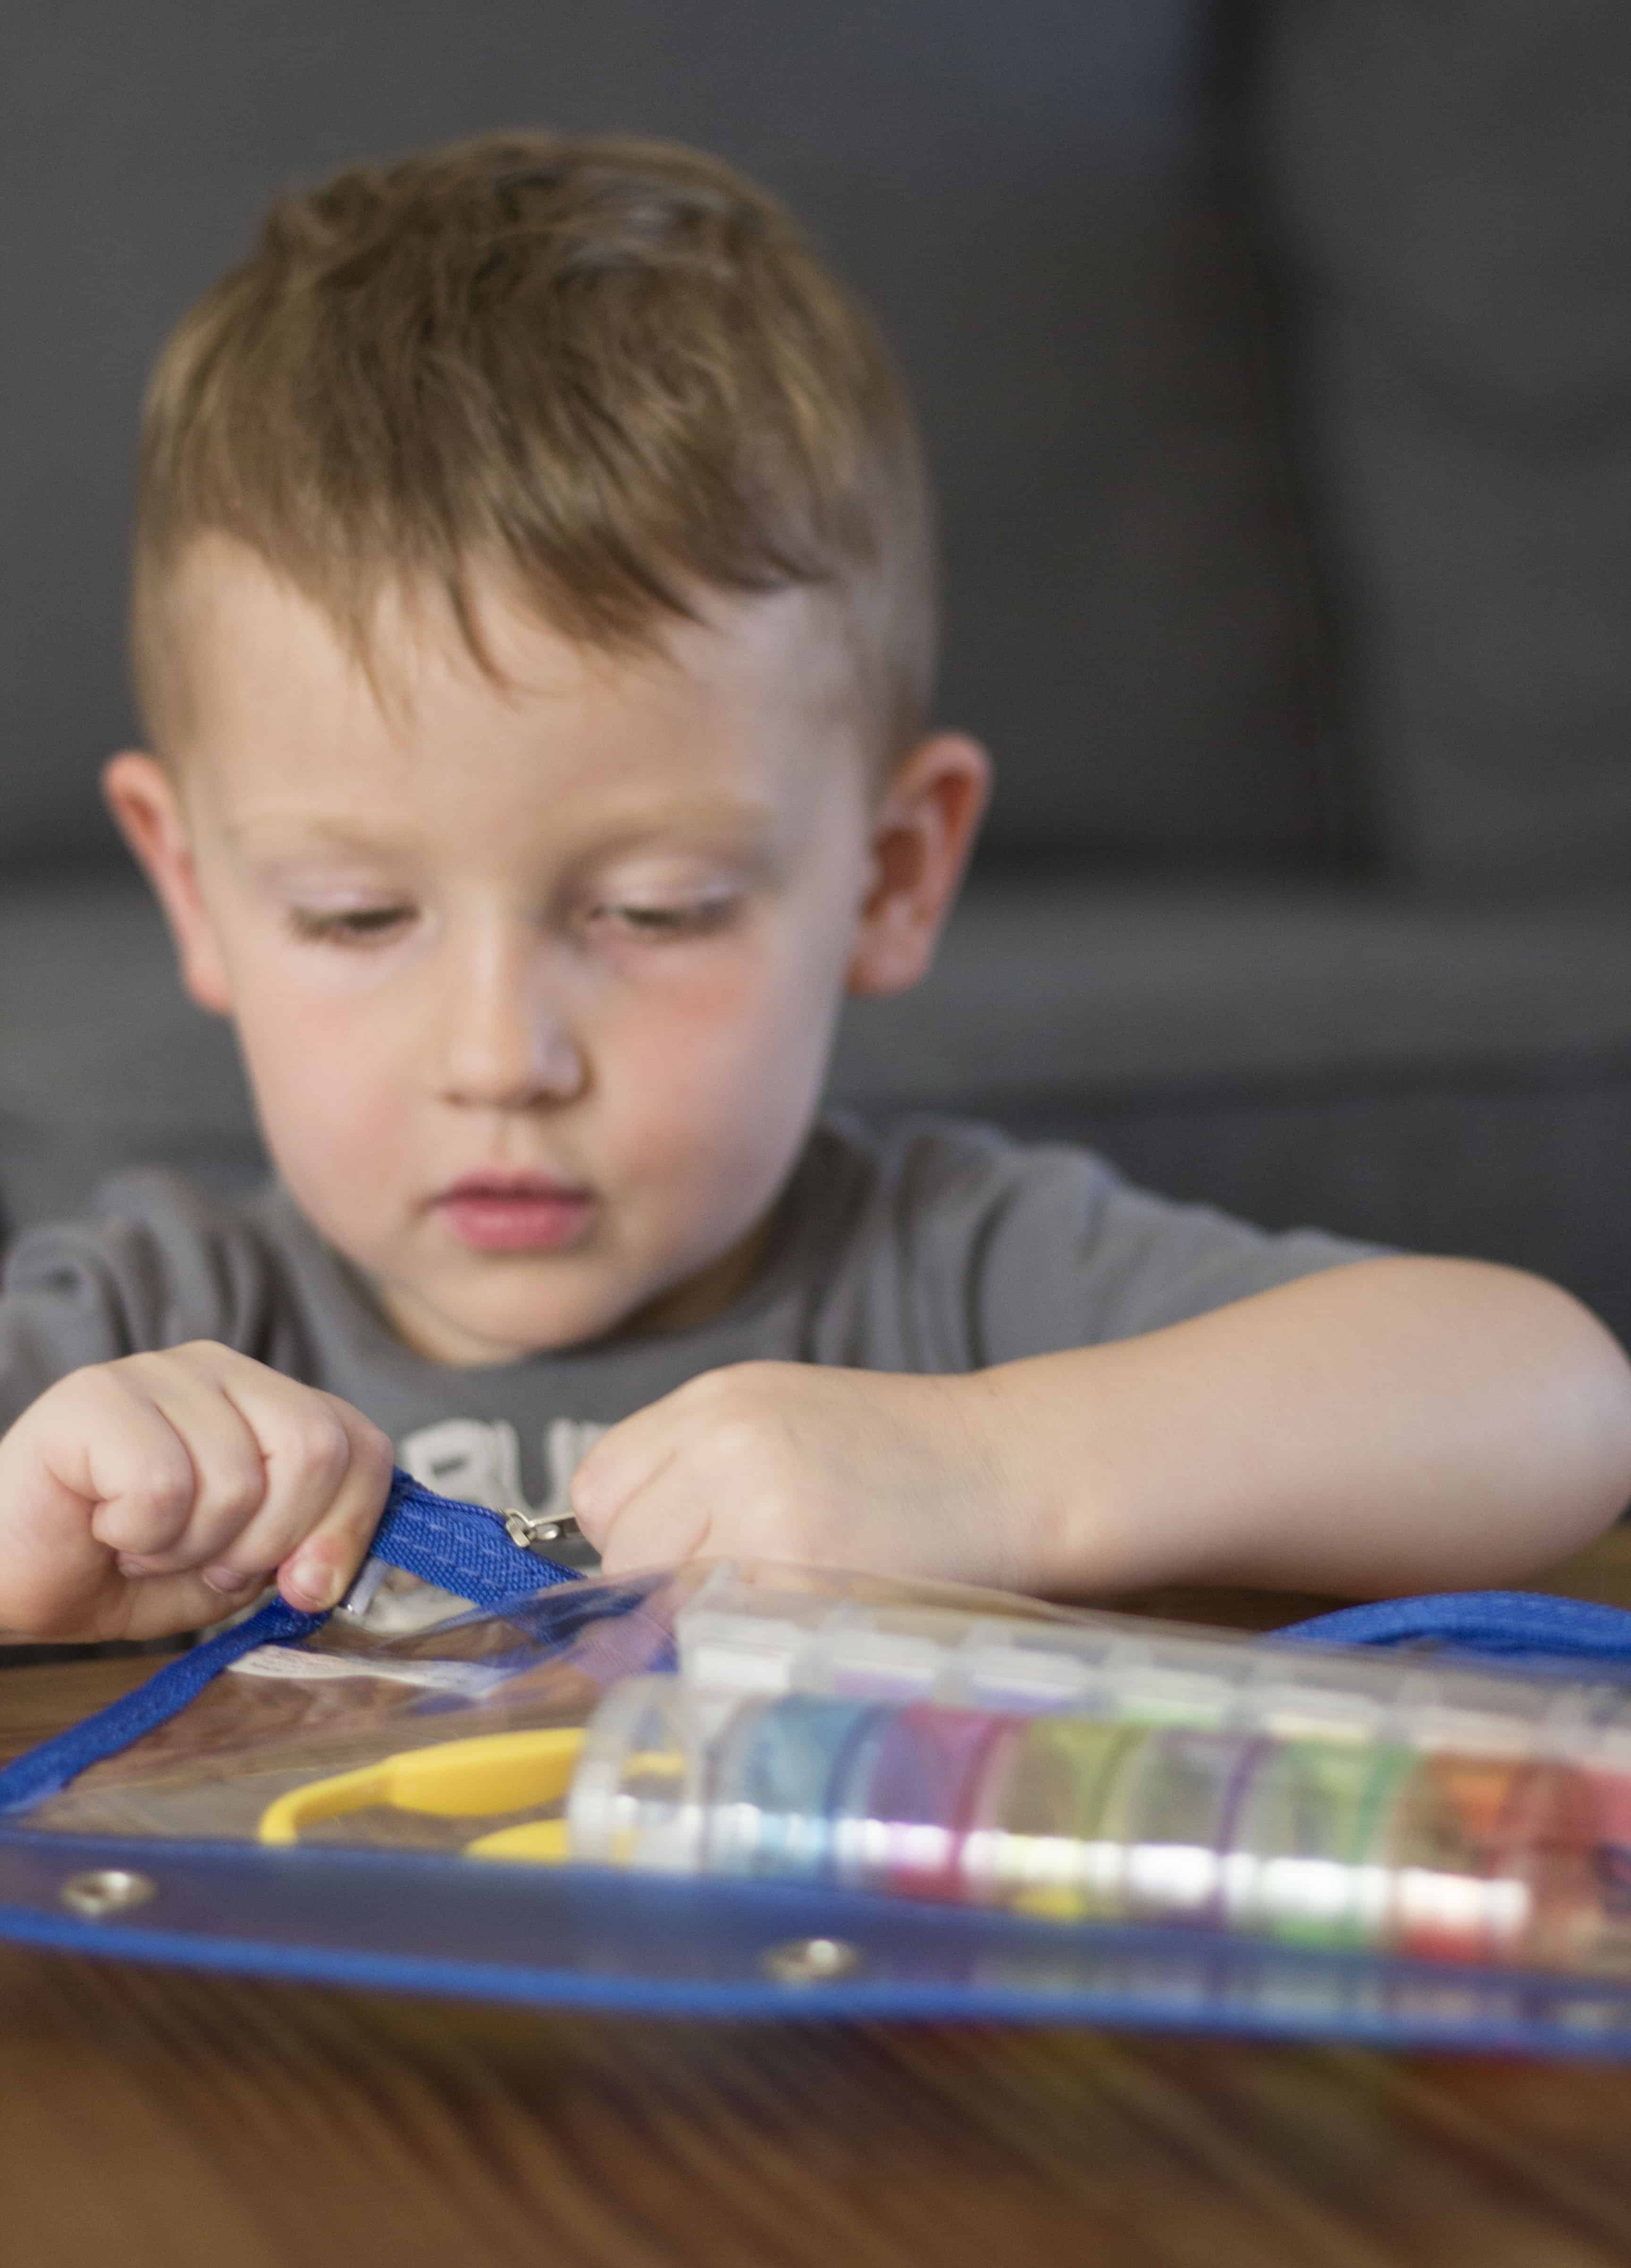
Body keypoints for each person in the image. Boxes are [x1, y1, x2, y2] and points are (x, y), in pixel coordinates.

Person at [2, 131, 1629, 1647]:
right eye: (359, 917)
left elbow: (1556, 1401)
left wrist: (992, 1473)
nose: (501, 1057)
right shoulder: (148, 1323)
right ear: (194, 891)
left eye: (654, 909)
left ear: (892, 874)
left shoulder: (955, 1273)